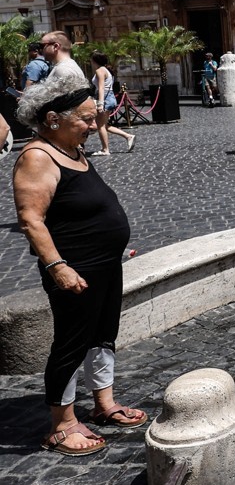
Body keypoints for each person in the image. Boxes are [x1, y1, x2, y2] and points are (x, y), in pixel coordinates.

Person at [12, 75, 147, 456]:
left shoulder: (73, 150)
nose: (93, 125)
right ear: (54, 118)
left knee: (103, 334)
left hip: (104, 263)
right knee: (71, 344)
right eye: (86, 119)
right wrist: (58, 267)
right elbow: (30, 219)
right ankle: (61, 424)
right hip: (74, 269)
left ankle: (105, 404)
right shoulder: (37, 157)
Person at [90, 52, 134, 156]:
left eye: (91, 60)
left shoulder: (100, 71)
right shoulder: (106, 70)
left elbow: (101, 87)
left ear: (95, 61)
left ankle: (105, 150)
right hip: (110, 97)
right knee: (104, 125)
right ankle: (128, 136)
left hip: (105, 98)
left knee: (100, 125)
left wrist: (100, 103)